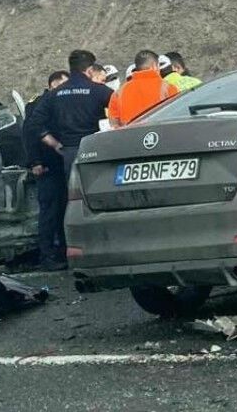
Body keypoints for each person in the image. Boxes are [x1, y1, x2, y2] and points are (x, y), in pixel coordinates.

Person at [36, 49, 114, 183]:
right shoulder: (100, 91)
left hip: (69, 152)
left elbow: (35, 122)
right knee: (99, 189)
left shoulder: (54, 94)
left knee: (76, 195)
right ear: (89, 70)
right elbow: (121, 112)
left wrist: (54, 144)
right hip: (96, 148)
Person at [23, 70, 70, 271]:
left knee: (61, 209)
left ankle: (61, 251)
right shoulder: (39, 104)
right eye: (64, 86)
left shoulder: (58, 103)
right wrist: (35, 161)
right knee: (50, 211)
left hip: (60, 163)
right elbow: (29, 133)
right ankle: (47, 254)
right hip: (46, 165)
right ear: (54, 84)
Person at [107, 49, 178, 127]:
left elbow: (114, 125)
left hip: (129, 137)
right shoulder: (168, 88)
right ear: (155, 65)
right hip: (161, 135)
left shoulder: (118, 93)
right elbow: (176, 117)